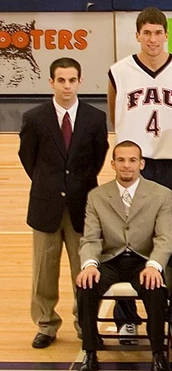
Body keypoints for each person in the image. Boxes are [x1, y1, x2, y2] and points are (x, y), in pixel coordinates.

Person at [108, 7, 172, 341]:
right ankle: (126, 314)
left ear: (166, 35)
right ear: (137, 36)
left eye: (158, 32)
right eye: (146, 33)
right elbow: (114, 114)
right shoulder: (120, 71)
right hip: (135, 164)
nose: (152, 39)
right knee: (128, 236)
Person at [19, 57, 109, 349]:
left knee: (82, 269)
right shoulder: (35, 118)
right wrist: (51, 184)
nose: (67, 86)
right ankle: (46, 324)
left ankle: (84, 323)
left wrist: (74, 186)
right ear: (51, 82)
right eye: (61, 80)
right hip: (45, 205)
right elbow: (27, 158)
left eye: (72, 80)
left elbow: (98, 158)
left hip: (82, 205)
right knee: (44, 271)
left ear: (80, 81)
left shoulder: (95, 118)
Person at [74, 142, 172, 371]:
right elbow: (90, 238)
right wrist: (89, 264)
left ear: (141, 164)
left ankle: (159, 354)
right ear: (113, 164)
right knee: (86, 285)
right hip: (111, 259)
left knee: (155, 287)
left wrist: (154, 265)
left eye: (132, 160)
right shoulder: (97, 196)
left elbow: (164, 237)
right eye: (121, 160)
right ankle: (90, 353)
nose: (126, 165)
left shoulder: (161, 194)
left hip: (143, 259)